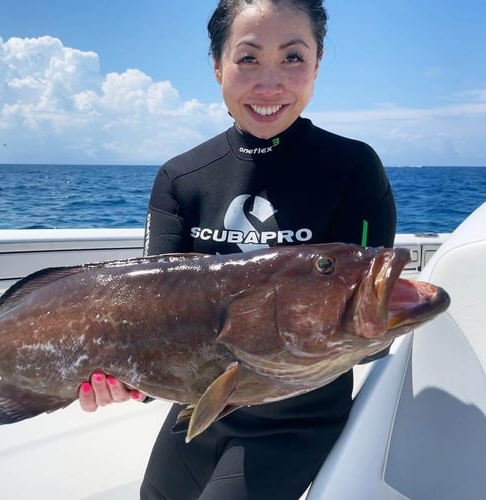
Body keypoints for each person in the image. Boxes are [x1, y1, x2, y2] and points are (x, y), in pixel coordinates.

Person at [79, 0, 396, 498]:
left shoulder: (352, 169)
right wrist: (128, 379)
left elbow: (366, 328)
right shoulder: (181, 178)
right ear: (217, 66)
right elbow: (148, 318)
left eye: (293, 57)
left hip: (299, 416)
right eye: (248, 58)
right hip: (199, 412)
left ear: (317, 63)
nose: (270, 84)